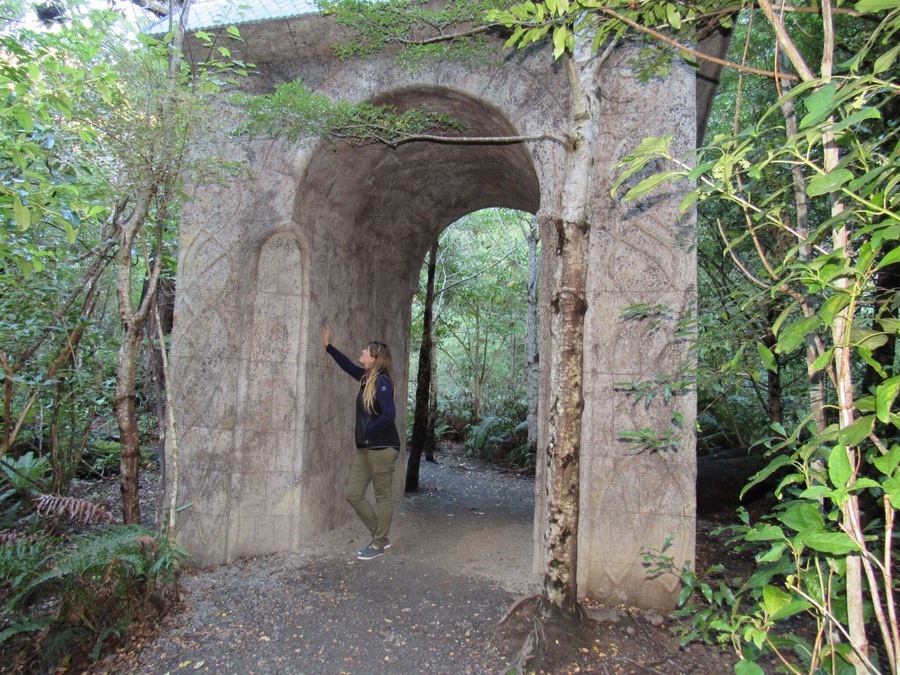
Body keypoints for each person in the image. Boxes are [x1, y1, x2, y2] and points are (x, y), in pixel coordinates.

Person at [323, 325, 401, 561]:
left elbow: (389, 414)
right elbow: (348, 365)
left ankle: (378, 544)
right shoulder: (367, 378)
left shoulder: (382, 383)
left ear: (375, 358)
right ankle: (381, 535)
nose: (363, 351)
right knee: (353, 493)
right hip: (366, 447)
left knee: (383, 496)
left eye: (367, 350)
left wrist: (369, 430)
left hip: (382, 447)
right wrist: (328, 347)